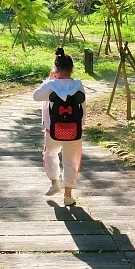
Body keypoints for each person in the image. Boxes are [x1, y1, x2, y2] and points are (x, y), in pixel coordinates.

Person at [33, 47, 85, 206]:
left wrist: (49, 79)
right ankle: (68, 196)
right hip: (74, 131)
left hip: (52, 130)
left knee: (50, 154)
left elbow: (36, 96)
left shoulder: (50, 85)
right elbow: (83, 106)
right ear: (72, 69)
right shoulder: (78, 85)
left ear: (56, 68)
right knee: (71, 160)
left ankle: (55, 181)